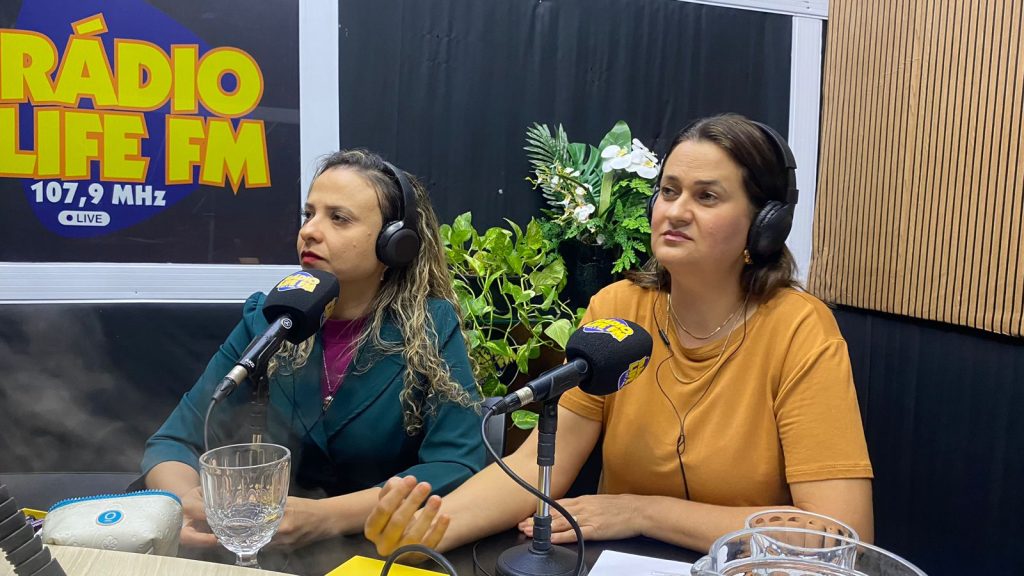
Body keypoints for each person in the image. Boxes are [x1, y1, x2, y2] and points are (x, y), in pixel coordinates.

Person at [363, 113, 874, 557]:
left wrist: (642, 512)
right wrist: (427, 532)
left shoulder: (799, 329)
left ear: (765, 224)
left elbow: (838, 533)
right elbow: (535, 468)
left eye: (707, 196)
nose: (675, 211)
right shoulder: (618, 310)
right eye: (668, 191)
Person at [141, 150, 485, 550]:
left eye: (338, 218)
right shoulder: (266, 319)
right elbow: (173, 443)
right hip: (265, 550)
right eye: (309, 214)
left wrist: (326, 517)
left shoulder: (431, 326)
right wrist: (187, 501)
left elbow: (456, 465)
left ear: (395, 245)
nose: (310, 231)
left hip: (379, 551)